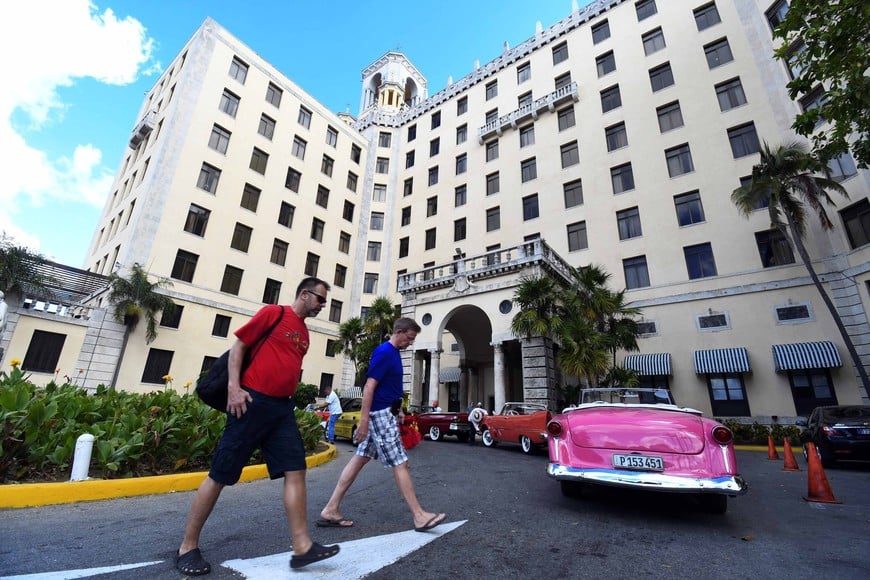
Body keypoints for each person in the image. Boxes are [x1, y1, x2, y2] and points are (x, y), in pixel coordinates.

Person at [175, 277, 339, 575]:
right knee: (220, 474)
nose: (322, 306)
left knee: (295, 469)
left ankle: (302, 546)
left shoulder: (304, 332)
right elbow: (239, 348)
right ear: (305, 294)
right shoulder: (273, 314)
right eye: (320, 300)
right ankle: (187, 546)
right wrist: (235, 389)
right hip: (250, 404)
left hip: (282, 410)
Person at [318, 317, 446, 532]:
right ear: (399, 331)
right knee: (400, 462)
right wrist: (365, 421)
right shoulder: (384, 352)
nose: (410, 343)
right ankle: (419, 516)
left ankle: (331, 509)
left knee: (360, 459)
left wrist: (401, 410)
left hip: (386, 413)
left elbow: (391, 388)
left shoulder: (393, 354)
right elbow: (369, 387)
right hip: (380, 415)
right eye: (409, 338)